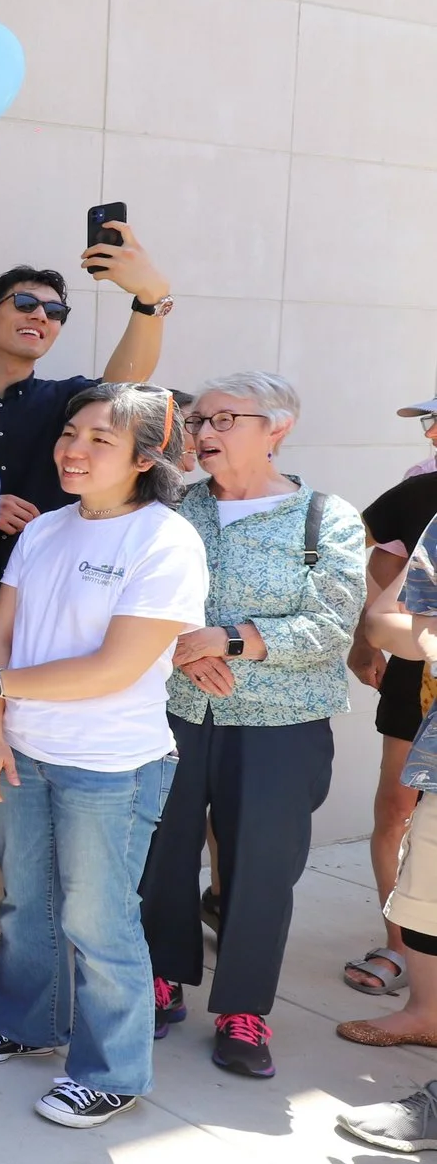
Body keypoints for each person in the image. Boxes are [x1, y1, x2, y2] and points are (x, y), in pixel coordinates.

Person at [0, 226, 176, 980]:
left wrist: (149, 301)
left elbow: (128, 386)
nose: (41, 317)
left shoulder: (64, 403)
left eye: (55, 311)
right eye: (25, 304)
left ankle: (4, 934)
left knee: (13, 786)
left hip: (31, 639)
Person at [0, 385, 209, 1130]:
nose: (74, 450)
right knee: (26, 902)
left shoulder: (165, 540)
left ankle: (111, 1072)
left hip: (112, 763)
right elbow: (0, 636)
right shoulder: (44, 529)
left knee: (99, 918)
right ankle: (27, 1023)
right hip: (26, 748)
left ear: (145, 458)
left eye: (101, 439)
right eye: (71, 433)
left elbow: (113, 668)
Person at [138, 374, 363, 1079]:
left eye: (224, 419)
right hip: (176, 709)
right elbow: (136, 595)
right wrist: (187, 647)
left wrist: (232, 640)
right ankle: (161, 976)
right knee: (161, 849)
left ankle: (244, 1008)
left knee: (262, 866)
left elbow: (331, 626)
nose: (204, 433)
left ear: (278, 428)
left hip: (281, 724)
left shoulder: (324, 518)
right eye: (198, 421)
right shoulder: (174, 507)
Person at [340, 397, 437, 1001]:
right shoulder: (417, 490)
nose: (432, 432)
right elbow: (364, 554)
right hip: (415, 674)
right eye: (430, 421)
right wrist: (362, 639)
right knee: (397, 808)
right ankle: (399, 944)